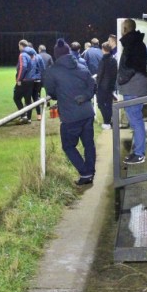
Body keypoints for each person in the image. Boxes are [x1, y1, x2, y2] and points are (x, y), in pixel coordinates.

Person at [43, 38, 97, 185]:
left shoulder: (52, 71)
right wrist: (85, 96)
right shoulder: (81, 66)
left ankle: (85, 173)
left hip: (70, 116)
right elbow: (92, 85)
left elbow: (51, 92)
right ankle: (90, 171)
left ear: (56, 55)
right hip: (87, 113)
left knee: (68, 146)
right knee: (88, 144)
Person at [118, 19, 147, 165]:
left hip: (133, 87)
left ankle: (139, 154)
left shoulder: (132, 44)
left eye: (122, 28)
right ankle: (137, 151)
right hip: (135, 86)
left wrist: (121, 79)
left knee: (136, 120)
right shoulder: (137, 42)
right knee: (135, 120)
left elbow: (129, 67)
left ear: (125, 29)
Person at [96, 42, 118, 129]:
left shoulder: (103, 60)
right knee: (109, 104)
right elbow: (115, 73)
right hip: (111, 85)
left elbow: (100, 74)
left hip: (102, 86)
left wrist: (97, 83)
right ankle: (109, 121)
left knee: (100, 104)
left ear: (103, 49)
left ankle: (107, 121)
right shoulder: (114, 60)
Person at [13, 39, 35, 124]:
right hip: (30, 80)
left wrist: (19, 79)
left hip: (24, 80)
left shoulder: (22, 55)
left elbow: (23, 67)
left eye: (19, 45)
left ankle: (23, 116)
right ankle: (28, 118)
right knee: (28, 100)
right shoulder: (32, 54)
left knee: (16, 98)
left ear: (21, 45)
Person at [25, 44, 46, 121]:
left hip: (29, 80)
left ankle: (28, 117)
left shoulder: (27, 57)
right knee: (36, 97)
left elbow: (25, 68)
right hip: (38, 80)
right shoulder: (39, 57)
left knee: (28, 98)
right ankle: (39, 115)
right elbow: (43, 68)